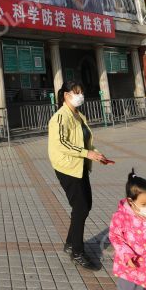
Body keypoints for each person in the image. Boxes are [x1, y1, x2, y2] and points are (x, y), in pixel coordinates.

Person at [48, 81, 109, 270]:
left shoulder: (79, 115)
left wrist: (96, 154)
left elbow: (85, 142)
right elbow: (61, 144)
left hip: (80, 165)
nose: (80, 95)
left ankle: (70, 243)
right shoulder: (59, 118)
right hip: (67, 167)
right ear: (66, 95)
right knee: (80, 207)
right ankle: (77, 252)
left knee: (85, 205)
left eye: (81, 92)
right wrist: (86, 154)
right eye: (76, 92)